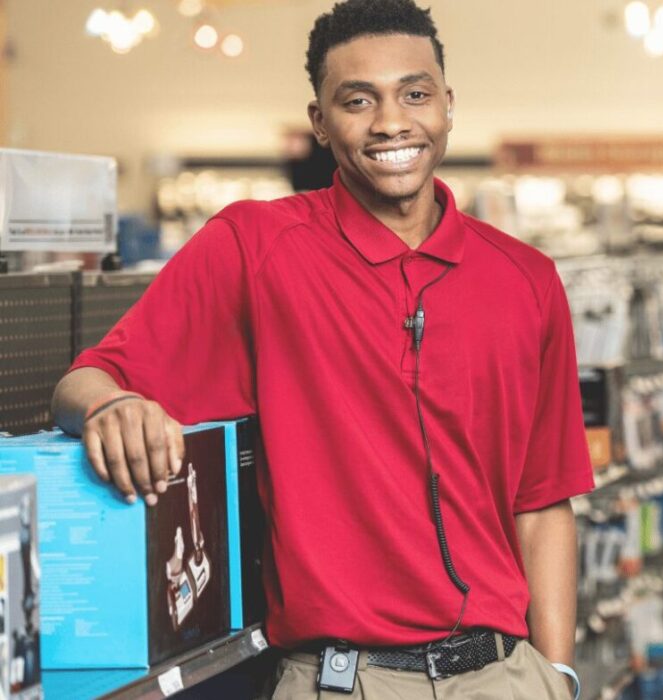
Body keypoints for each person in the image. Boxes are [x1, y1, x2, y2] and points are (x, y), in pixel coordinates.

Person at [51, 2, 591, 697]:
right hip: (342, 680)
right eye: (358, 101)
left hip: (507, 675)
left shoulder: (525, 279)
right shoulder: (254, 249)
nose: (392, 122)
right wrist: (112, 406)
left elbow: (542, 501)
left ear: (449, 107)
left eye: (415, 94)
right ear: (320, 122)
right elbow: (85, 380)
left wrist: (559, 675)